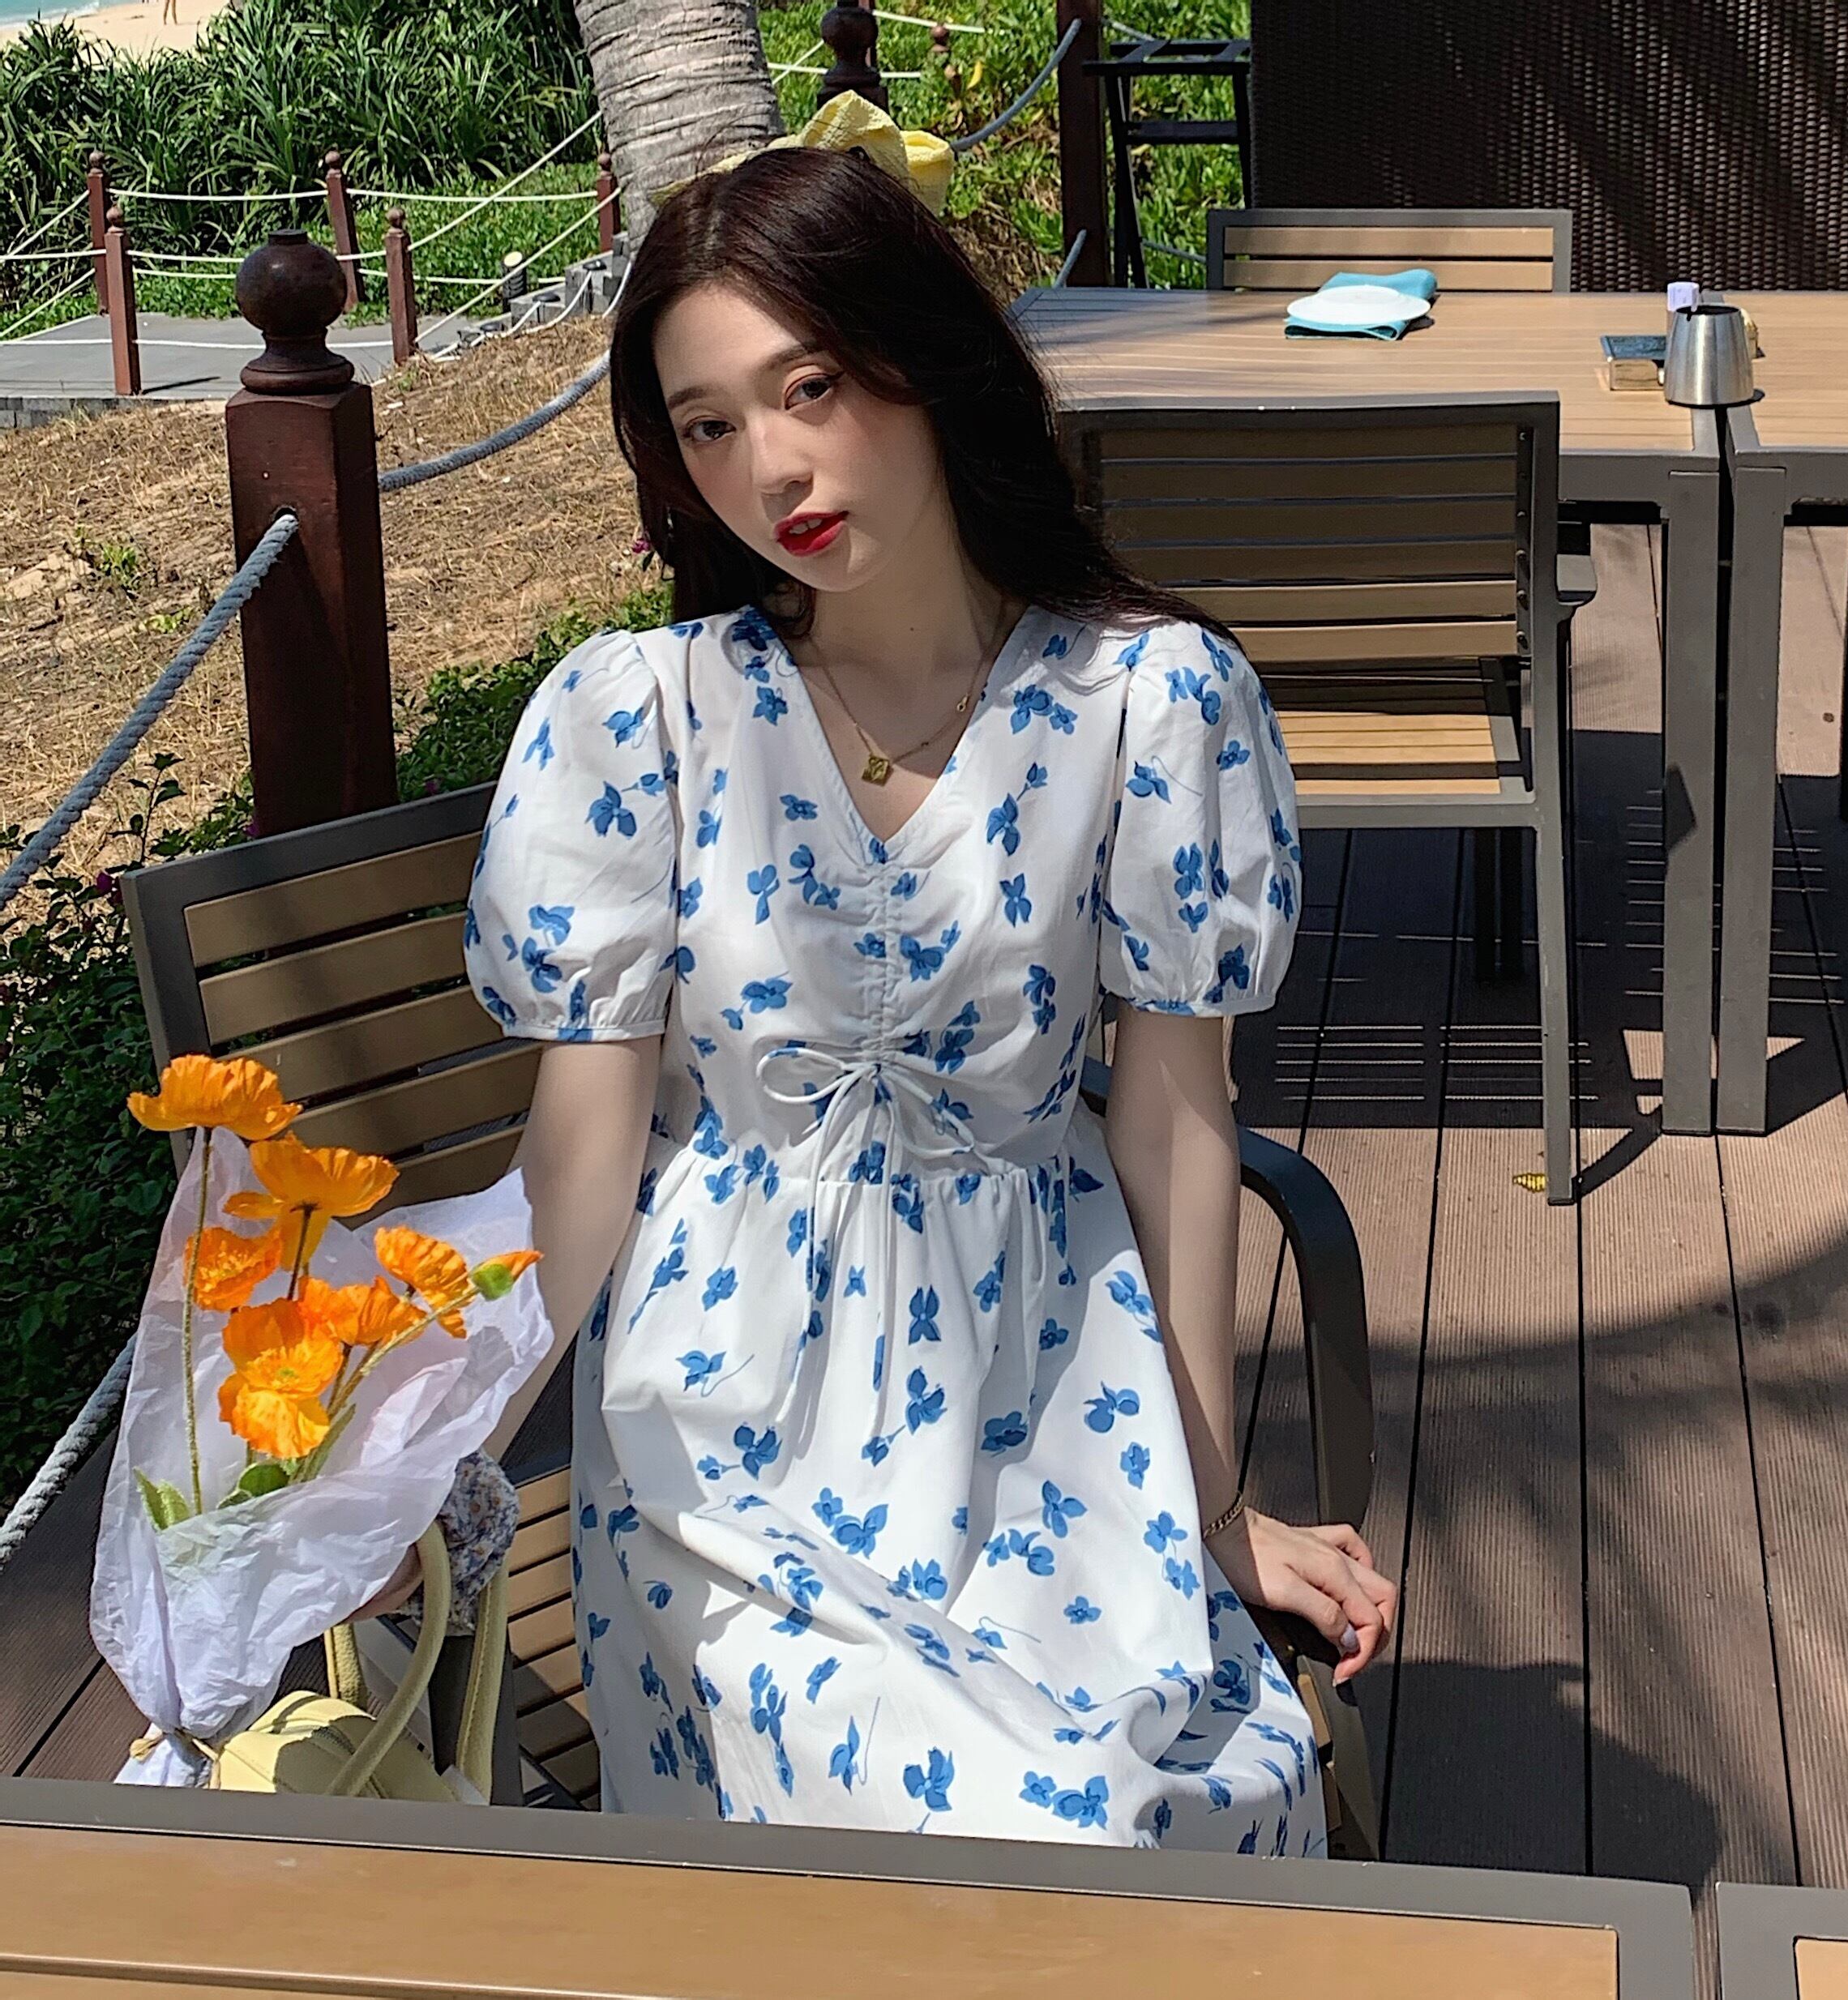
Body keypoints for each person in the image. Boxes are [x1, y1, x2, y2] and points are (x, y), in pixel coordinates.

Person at [434, 97, 1394, 1850]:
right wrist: (415, 1467)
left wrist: (1205, 1507)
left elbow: (1177, 1130)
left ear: (929, 365)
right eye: (709, 424)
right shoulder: (640, 720)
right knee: (1000, 1826)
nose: (770, 470)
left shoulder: (1148, 704)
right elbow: (578, 1165)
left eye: (810, 388)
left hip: (1048, 1399)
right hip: (720, 1436)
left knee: (1160, 1803)